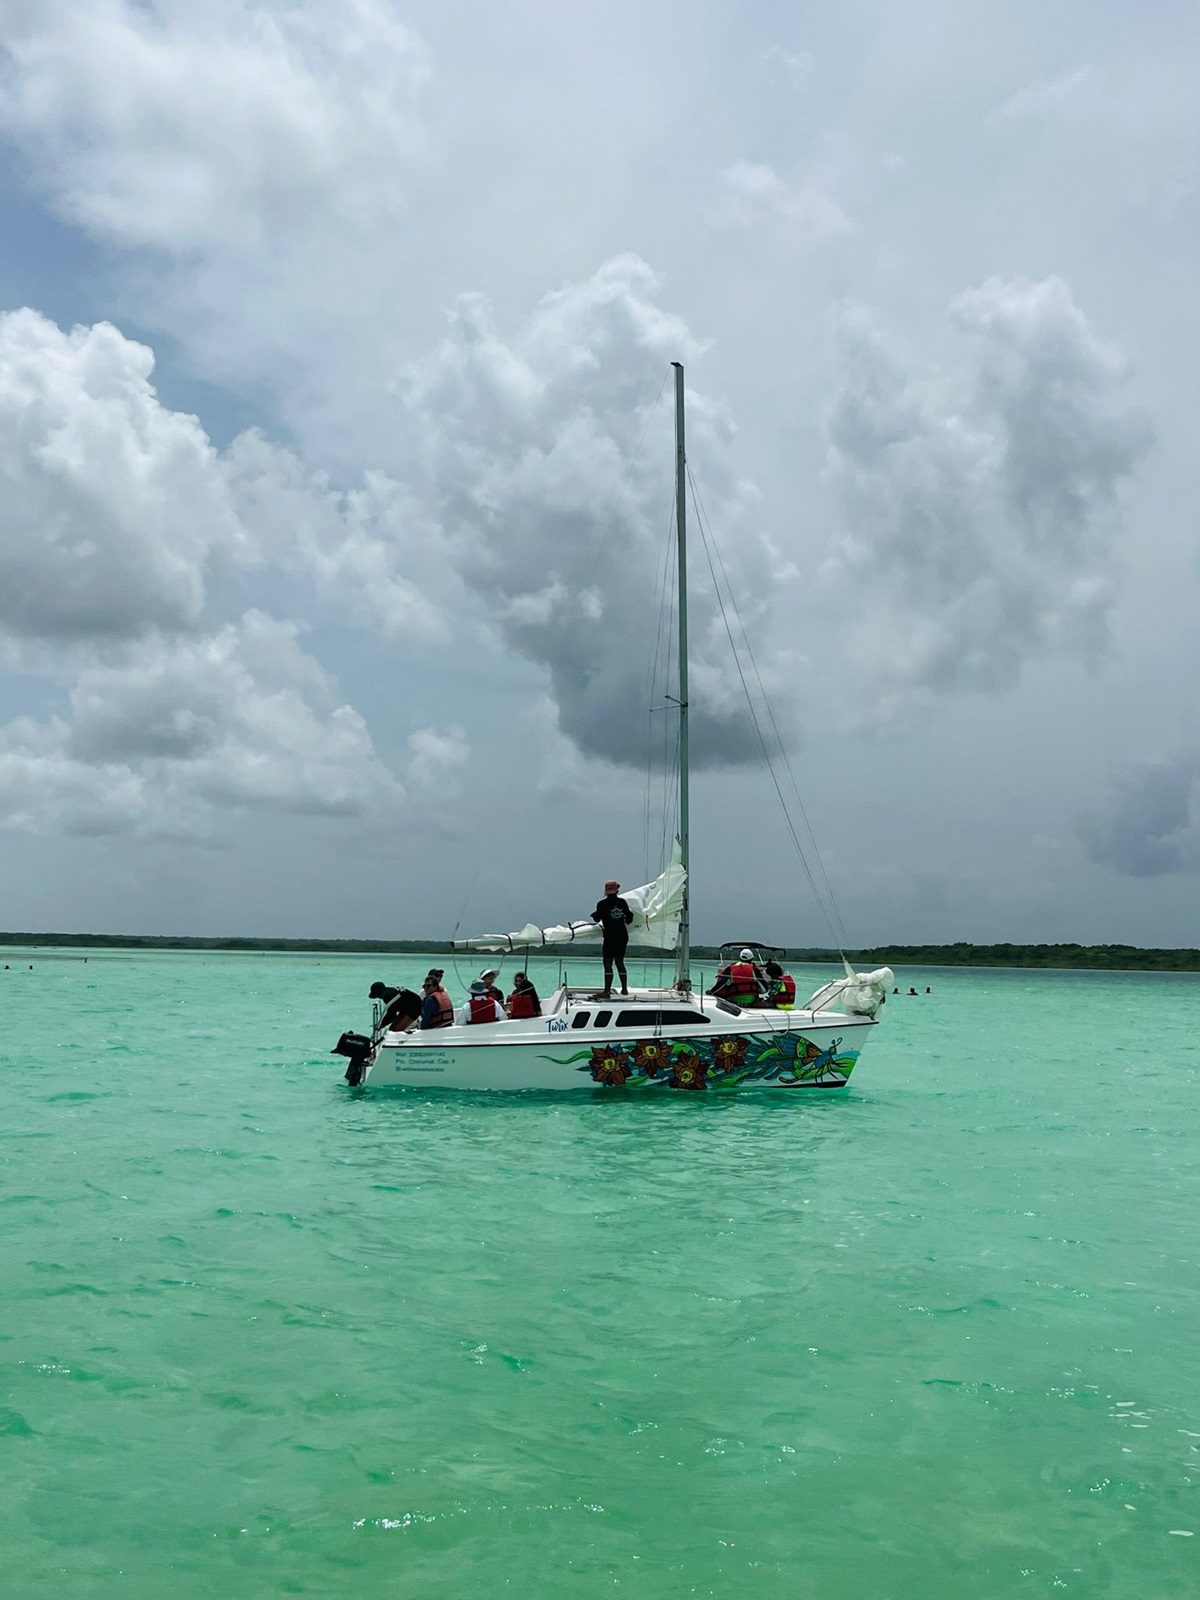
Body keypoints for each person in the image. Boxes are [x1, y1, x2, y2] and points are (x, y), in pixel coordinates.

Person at [591, 878, 634, 997]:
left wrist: (595, 914)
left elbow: (596, 918)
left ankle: (606, 991)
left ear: (605, 891)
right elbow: (629, 918)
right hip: (622, 936)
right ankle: (624, 989)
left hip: (610, 937)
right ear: (617, 891)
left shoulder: (602, 904)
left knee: (608, 963)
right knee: (620, 962)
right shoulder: (622, 902)